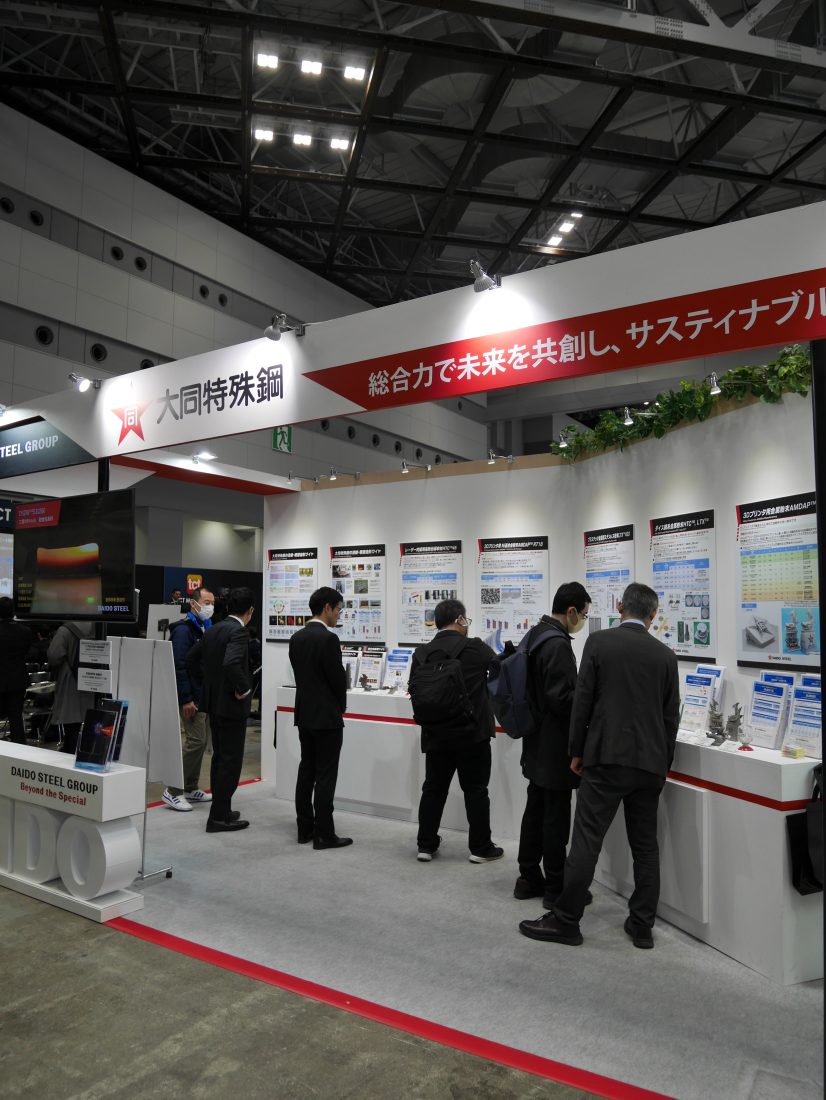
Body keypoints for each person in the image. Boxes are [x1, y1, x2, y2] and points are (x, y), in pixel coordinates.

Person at [519, 582, 680, 949]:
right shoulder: (665, 656)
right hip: (649, 764)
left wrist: (576, 751)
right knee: (646, 847)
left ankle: (566, 920)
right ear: (653, 615)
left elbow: (583, 703)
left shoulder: (599, 643)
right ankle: (642, 925)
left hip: (605, 758)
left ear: (620, 607)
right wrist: (662, 764)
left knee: (586, 841)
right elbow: (670, 717)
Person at [514, 582, 592, 906]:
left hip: (535, 740)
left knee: (535, 811)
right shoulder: (557, 644)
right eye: (583, 614)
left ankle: (528, 878)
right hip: (554, 744)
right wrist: (587, 698)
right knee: (555, 818)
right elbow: (561, 699)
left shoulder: (536, 633)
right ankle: (555, 888)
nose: (582, 620)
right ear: (571, 611)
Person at [411, 598, 502, 864]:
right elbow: (499, 669)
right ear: (460, 619)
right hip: (471, 733)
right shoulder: (475, 647)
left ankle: (425, 845)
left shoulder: (422, 653)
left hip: (435, 733)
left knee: (433, 789)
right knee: (476, 790)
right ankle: (481, 848)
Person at [187, 587, 255, 833]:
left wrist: (210, 684)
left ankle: (222, 809)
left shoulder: (214, 629)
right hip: (231, 707)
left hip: (214, 704)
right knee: (230, 762)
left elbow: (191, 659)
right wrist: (242, 688)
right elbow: (231, 663)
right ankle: (218, 818)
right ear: (250, 611)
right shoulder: (238, 631)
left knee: (219, 759)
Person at [288, 586, 350, 849]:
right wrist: (340, 707)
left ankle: (305, 829)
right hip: (326, 716)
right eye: (338, 610)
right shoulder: (328, 639)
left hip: (305, 714)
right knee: (325, 775)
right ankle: (324, 833)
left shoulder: (297, 637)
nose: (338, 615)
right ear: (327, 608)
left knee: (307, 770)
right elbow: (337, 680)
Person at [162, 586, 215, 812]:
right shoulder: (184, 631)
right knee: (195, 741)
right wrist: (186, 698)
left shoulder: (205, 627)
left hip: (202, 694)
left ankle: (190, 787)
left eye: (212, 603)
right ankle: (173, 790)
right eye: (206, 602)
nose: (210, 607)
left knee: (201, 743)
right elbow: (179, 666)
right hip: (190, 696)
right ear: (193, 603)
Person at [48, 621, 96, 753]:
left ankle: (70, 750)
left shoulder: (65, 630)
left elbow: (54, 656)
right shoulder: (98, 627)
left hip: (70, 679)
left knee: (71, 721)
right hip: (94, 680)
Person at [0, 597, 33, 744]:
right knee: (16, 716)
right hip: (18, 680)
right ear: (13, 611)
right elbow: (26, 652)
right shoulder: (25, 631)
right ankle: (19, 747)